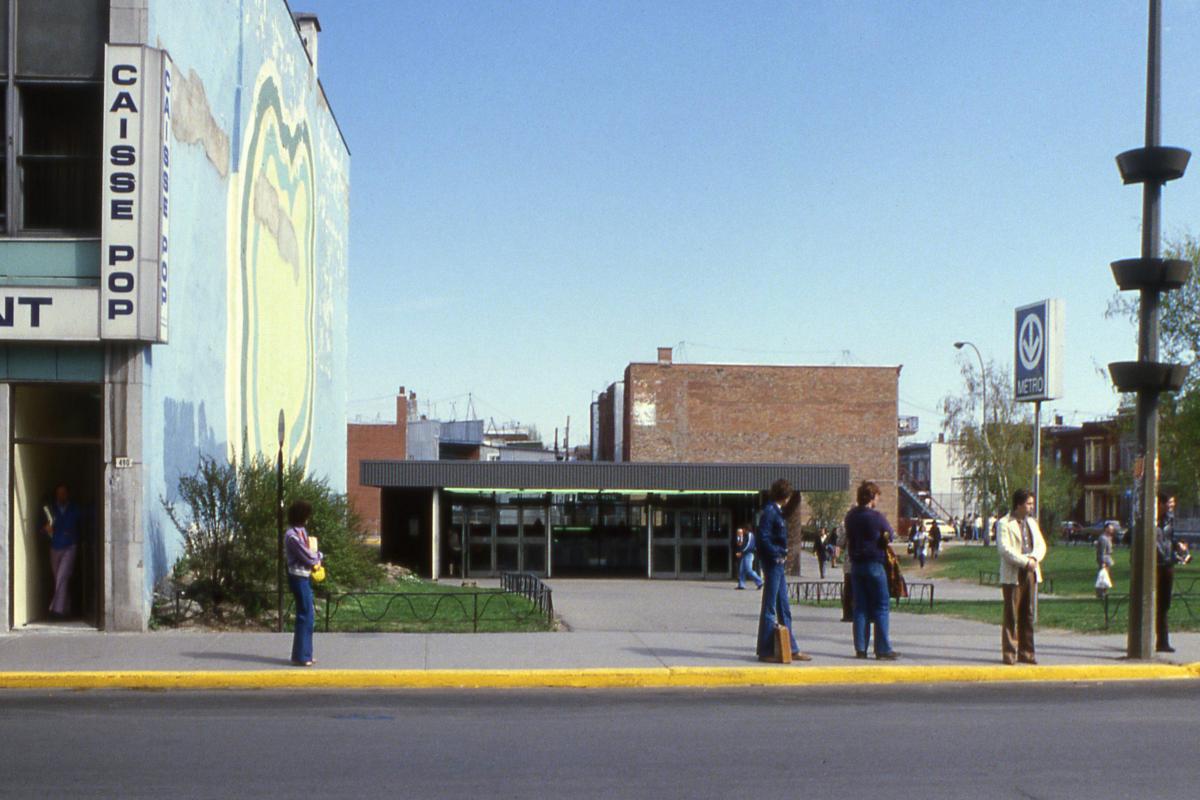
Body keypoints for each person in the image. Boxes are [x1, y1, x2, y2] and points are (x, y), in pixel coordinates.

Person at [843, 481, 899, 660]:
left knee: (860, 608)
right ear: (872, 497)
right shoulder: (876, 517)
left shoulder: (850, 516)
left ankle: (860, 648)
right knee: (881, 606)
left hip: (856, 565)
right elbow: (890, 534)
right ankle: (882, 649)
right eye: (877, 497)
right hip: (874, 563)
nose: (878, 500)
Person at [755, 479, 810, 662]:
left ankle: (791, 648)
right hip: (773, 563)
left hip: (777, 563)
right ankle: (765, 651)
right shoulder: (771, 512)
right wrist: (777, 553)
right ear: (786, 496)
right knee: (770, 608)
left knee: (783, 607)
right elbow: (762, 538)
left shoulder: (775, 512)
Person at [997, 489, 1047, 665]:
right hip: (1014, 573)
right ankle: (1009, 652)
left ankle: (1027, 652)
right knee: (1012, 613)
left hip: (1031, 572)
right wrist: (1025, 561)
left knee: (1028, 613)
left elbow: (1041, 545)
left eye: (1032, 504)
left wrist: (1034, 558)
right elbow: (1004, 549)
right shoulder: (1004, 523)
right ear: (1019, 504)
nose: (1031, 507)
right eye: (1028, 504)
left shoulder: (1032, 523)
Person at [285, 499, 323, 667]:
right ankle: (301, 656)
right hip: (297, 576)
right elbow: (306, 555)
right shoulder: (292, 535)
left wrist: (316, 556)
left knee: (308, 615)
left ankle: (305, 653)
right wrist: (319, 557)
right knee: (304, 614)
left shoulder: (301, 531)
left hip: (304, 575)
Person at [41, 484, 82, 619]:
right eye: (59, 493)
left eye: (63, 493)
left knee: (62, 576)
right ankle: (66, 607)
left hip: (70, 546)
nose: (61, 495)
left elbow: (83, 523)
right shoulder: (51, 509)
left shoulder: (74, 509)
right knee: (59, 579)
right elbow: (41, 528)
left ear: (68, 494)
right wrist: (45, 529)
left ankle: (56, 611)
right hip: (55, 546)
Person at [1156, 495, 1179, 653]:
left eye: (1173, 503)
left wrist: (1179, 546)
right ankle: (1144, 639)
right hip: (1155, 565)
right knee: (1152, 603)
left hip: (1167, 564)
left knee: (1164, 604)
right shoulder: (1150, 520)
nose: (1172, 505)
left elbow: (1170, 539)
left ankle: (1163, 642)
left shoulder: (1169, 520)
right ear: (1160, 503)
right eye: (1169, 502)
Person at [834, 519, 853, 622]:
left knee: (849, 589)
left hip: (850, 562)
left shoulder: (848, 525)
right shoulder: (873, 519)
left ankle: (848, 614)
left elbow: (841, 542)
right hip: (866, 561)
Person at [734, 526, 763, 590]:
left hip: (749, 554)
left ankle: (759, 581)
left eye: (743, 529)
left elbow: (748, 546)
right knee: (742, 570)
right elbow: (740, 544)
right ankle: (741, 585)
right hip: (744, 554)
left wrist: (741, 552)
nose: (743, 531)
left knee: (748, 570)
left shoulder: (750, 536)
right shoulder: (744, 536)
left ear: (747, 529)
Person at [1096, 522, 1115, 599]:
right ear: (1106, 529)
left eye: (1112, 529)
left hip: (1108, 559)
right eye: (1110, 529)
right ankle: (1101, 593)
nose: (1112, 531)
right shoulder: (1103, 538)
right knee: (1103, 577)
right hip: (1104, 560)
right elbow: (1102, 552)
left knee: (1106, 577)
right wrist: (1103, 562)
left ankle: (1104, 592)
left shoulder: (1108, 538)